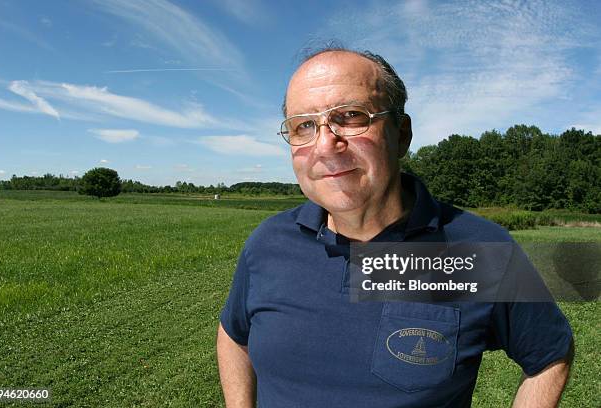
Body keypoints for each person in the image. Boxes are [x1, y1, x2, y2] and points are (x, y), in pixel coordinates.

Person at [216, 47, 574, 407]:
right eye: (303, 125)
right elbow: (234, 334)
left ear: (401, 134)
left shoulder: (481, 251)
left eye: (352, 116)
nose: (326, 145)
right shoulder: (268, 243)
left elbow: (550, 354)